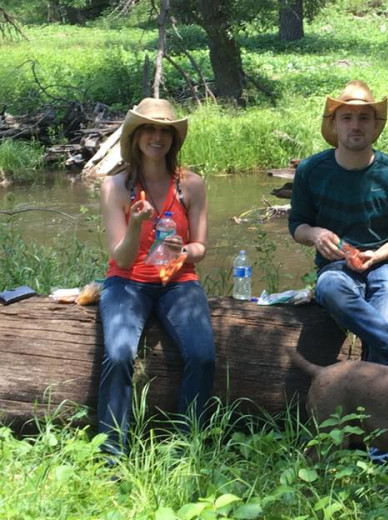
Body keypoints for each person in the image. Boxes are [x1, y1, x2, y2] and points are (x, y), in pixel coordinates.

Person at [288, 80, 388, 372]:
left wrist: (379, 254)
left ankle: (366, 415)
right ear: (334, 124)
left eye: (363, 117)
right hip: (336, 267)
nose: (355, 125)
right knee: (329, 288)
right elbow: (296, 225)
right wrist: (315, 234)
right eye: (347, 117)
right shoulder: (311, 170)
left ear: (374, 125)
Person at [98, 97, 216, 456]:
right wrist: (136, 223)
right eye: (148, 128)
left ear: (173, 140)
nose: (156, 137)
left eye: (164, 131)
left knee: (203, 355)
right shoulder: (115, 186)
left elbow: (201, 248)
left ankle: (187, 444)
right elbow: (120, 255)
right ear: (134, 136)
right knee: (118, 355)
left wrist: (183, 252)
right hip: (127, 282)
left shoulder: (191, 185)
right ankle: (111, 456)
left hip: (179, 284)